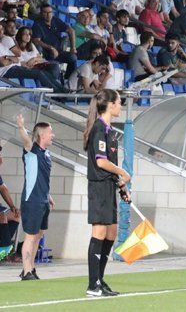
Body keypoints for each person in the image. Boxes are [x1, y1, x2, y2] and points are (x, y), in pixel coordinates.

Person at [84, 89, 130, 297]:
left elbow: (111, 164)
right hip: (99, 187)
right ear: (110, 105)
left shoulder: (110, 131)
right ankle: (93, 284)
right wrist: (122, 172)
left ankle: (100, 280)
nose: (121, 106)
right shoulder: (98, 129)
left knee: (111, 234)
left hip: (109, 186)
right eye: (119, 102)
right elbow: (101, 162)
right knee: (99, 233)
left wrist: (122, 187)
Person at [16, 115, 56, 281]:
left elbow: (41, 177)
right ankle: (25, 271)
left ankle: (31, 268)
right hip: (32, 200)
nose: (53, 135)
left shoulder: (46, 154)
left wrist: (49, 195)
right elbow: (26, 140)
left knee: (39, 235)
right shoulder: (31, 151)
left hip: (43, 200)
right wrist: (21, 127)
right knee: (30, 236)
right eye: (50, 132)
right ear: (42, 135)